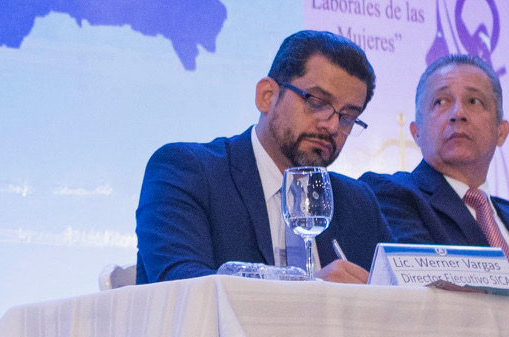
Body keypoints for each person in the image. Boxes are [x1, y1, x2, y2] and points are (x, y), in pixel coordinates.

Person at [135, 30, 389, 283]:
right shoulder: (187, 170)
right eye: (317, 102)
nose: (332, 126)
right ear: (267, 96)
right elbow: (182, 284)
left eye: (347, 117)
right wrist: (310, 293)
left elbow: (404, 290)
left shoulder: (358, 203)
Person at [364, 53, 509, 277]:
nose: (458, 114)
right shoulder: (391, 196)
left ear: (501, 132)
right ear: (416, 132)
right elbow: (425, 287)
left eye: (474, 101)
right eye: (441, 101)